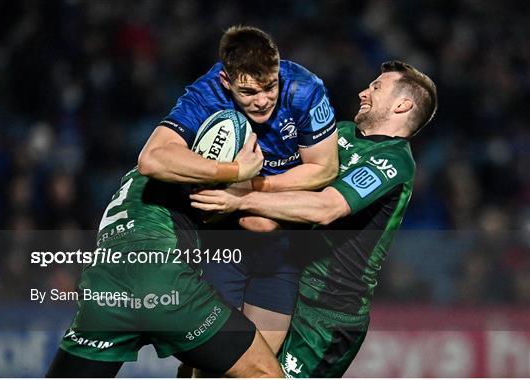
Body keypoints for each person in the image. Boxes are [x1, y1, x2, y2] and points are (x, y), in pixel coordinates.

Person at [190, 60, 438, 377]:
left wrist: (242, 198)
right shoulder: (342, 133)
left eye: (376, 87)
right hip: (286, 286)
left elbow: (326, 208)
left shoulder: (394, 161)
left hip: (329, 315)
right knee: (215, 366)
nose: (364, 92)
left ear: (403, 105)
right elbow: (281, 179)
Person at [138, 25, 339, 353]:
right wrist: (233, 171)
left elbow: (325, 167)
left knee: (261, 362)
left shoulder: (304, 89)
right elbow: (152, 160)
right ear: (226, 81)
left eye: (270, 87)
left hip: (283, 245)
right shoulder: (206, 95)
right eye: (248, 93)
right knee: (210, 359)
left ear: (278, 70)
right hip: (221, 241)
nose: (262, 101)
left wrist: (250, 189)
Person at [46, 136, 283, 377]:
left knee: (194, 365)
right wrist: (247, 179)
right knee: (264, 372)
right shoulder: (192, 171)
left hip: (103, 289)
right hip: (160, 280)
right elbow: (262, 224)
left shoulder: (136, 176)